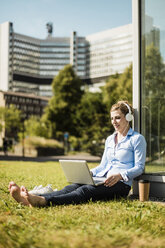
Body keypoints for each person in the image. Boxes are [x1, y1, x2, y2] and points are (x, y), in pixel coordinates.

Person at [8, 100, 146, 207]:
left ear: (128, 117)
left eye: (117, 118)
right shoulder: (110, 139)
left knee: (85, 191)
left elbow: (139, 168)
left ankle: (42, 201)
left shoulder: (137, 139)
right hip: (101, 179)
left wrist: (120, 175)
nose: (114, 122)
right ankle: (30, 200)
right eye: (111, 118)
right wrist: (88, 173)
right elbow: (103, 165)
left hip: (120, 185)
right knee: (72, 187)